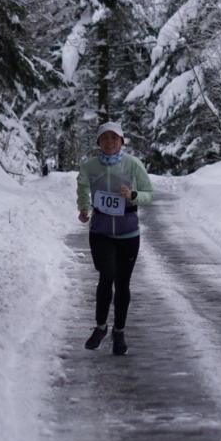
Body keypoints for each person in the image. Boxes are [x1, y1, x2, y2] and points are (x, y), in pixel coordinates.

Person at [76, 121, 153, 356]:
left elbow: (149, 195)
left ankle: (119, 331)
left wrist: (133, 195)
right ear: (99, 142)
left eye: (114, 138)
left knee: (122, 284)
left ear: (122, 141)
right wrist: (83, 207)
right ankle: (100, 327)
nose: (110, 142)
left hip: (128, 233)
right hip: (100, 232)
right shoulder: (90, 166)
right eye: (105, 138)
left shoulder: (133, 165)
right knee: (106, 276)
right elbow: (82, 188)